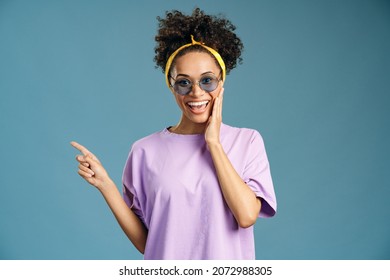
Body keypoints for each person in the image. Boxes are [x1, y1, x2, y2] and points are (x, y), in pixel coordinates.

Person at [71, 8, 276, 260]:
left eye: (207, 80)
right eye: (184, 82)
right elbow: (150, 243)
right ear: (171, 85)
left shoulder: (247, 141)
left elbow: (246, 216)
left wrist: (213, 143)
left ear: (222, 81)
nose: (196, 93)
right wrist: (106, 185)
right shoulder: (144, 150)